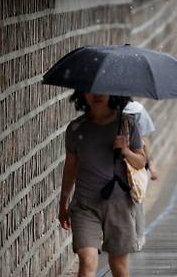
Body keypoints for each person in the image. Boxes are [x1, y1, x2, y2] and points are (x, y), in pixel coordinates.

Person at [58, 92, 146, 277]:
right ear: (82, 93)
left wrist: (125, 151)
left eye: (102, 89)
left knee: (118, 264)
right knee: (87, 260)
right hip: (85, 205)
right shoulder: (76, 129)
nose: (97, 94)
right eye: (90, 89)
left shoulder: (127, 124)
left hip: (119, 204)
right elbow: (70, 168)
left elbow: (141, 162)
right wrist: (63, 203)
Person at [123, 100, 159, 251]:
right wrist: (150, 165)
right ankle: (138, 236)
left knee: (133, 200)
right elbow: (145, 139)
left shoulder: (104, 110)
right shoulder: (138, 109)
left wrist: (150, 164)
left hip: (127, 160)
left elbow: (144, 140)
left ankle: (136, 235)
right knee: (136, 198)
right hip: (135, 161)